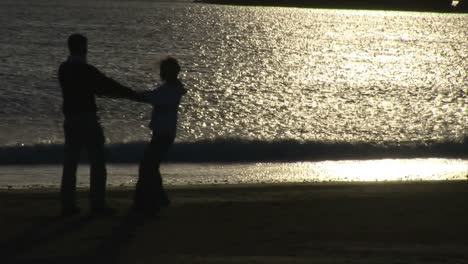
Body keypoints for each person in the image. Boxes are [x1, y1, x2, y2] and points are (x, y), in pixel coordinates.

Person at [58, 33, 139, 217]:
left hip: (70, 119)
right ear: (83, 48)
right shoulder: (87, 70)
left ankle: (67, 205)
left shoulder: (63, 69)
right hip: (87, 118)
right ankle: (97, 204)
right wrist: (132, 94)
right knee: (97, 161)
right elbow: (108, 85)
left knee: (70, 162)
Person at [133, 56, 187, 216]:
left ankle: (148, 200)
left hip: (164, 134)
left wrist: (132, 95)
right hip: (163, 133)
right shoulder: (169, 88)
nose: (161, 73)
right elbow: (151, 96)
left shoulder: (171, 90)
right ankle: (158, 198)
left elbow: (152, 97)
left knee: (147, 166)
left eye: (163, 70)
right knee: (151, 166)